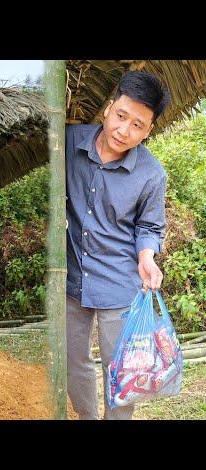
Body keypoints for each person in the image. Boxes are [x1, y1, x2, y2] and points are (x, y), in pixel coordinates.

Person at [65, 71, 171, 420]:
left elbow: (149, 225)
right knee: (71, 359)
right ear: (109, 108)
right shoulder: (67, 143)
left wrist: (147, 257)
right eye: (121, 116)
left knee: (122, 369)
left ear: (148, 130)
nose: (124, 130)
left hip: (119, 283)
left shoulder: (151, 174)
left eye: (137, 125)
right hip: (72, 278)